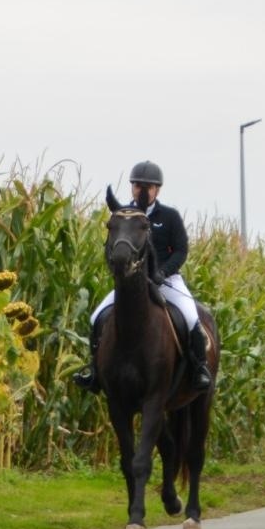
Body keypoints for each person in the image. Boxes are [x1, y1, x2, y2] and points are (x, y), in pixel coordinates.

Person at [73, 160, 211, 392]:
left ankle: (199, 369)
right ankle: (95, 371)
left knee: (190, 318)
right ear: (132, 188)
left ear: (157, 189)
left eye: (148, 185)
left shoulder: (169, 216)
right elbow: (112, 248)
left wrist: (162, 272)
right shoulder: (123, 217)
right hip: (130, 283)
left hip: (166, 280)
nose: (142, 190)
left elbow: (181, 250)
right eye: (137, 185)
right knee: (96, 317)